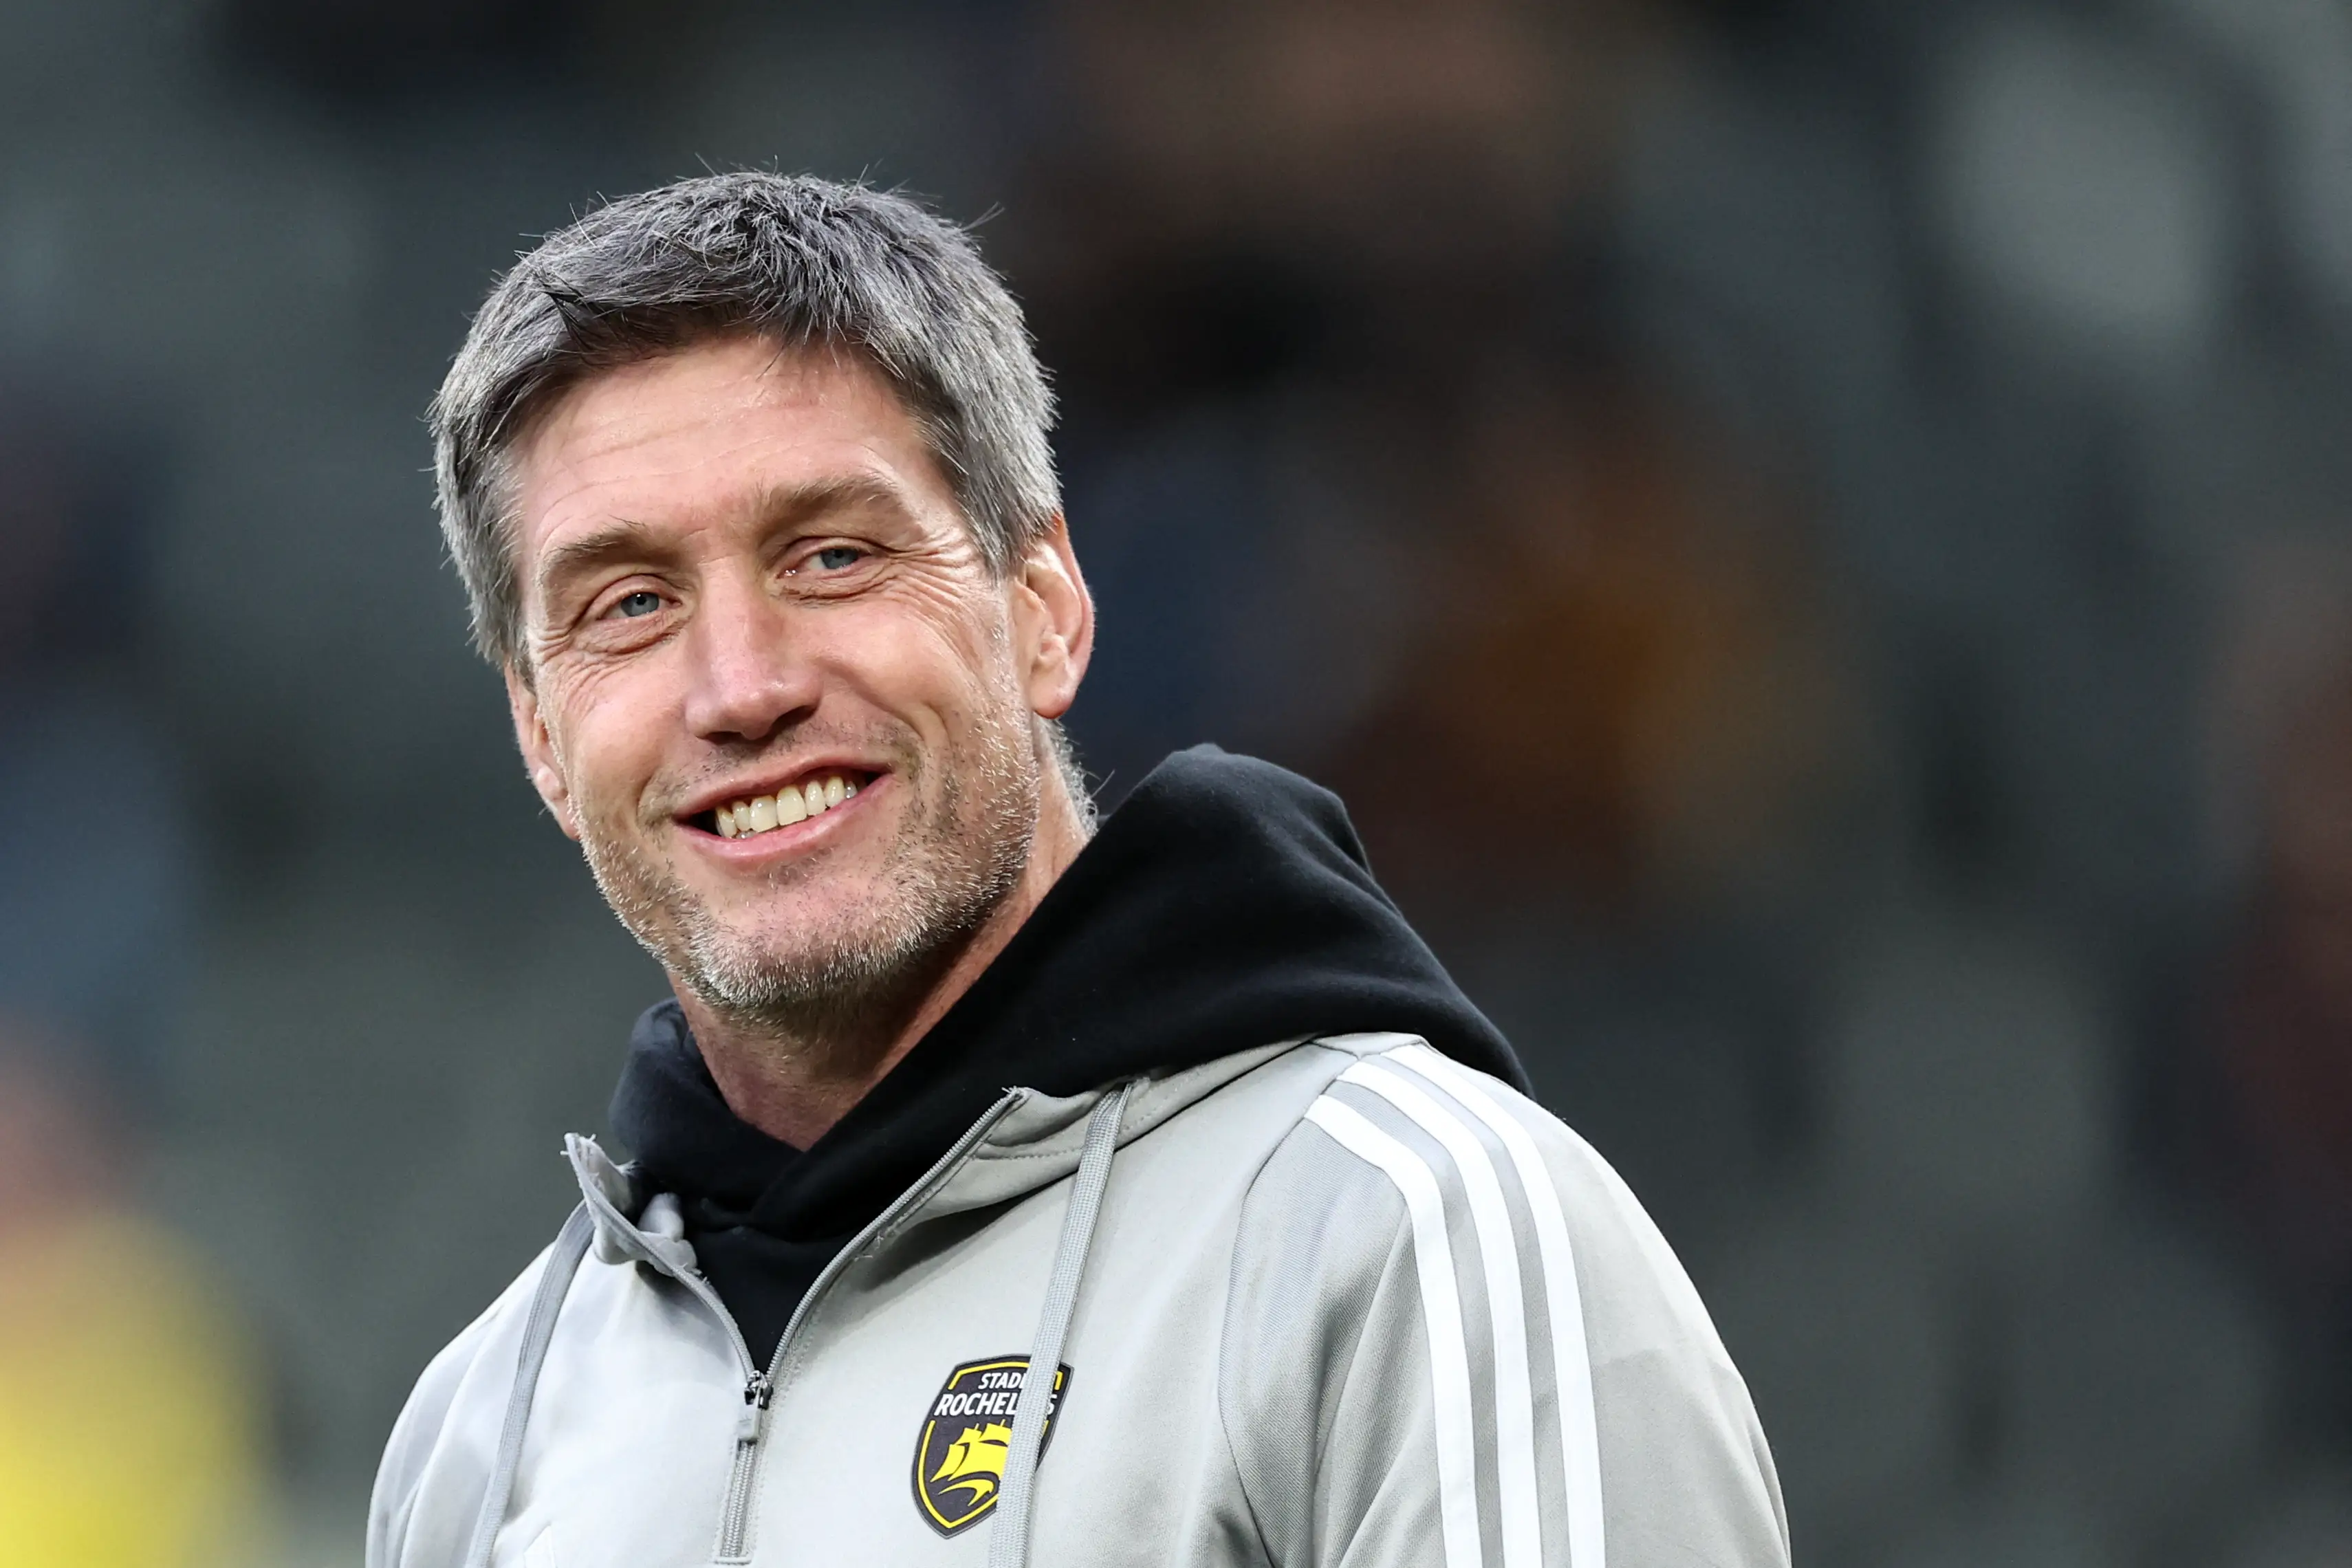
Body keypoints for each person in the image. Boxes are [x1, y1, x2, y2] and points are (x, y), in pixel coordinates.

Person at [367, 173, 1787, 1568]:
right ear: (542, 732)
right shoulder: (483, 1433)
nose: (740, 686)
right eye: (631, 604)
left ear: (1044, 610)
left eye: (832, 556)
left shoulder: (1414, 1237)